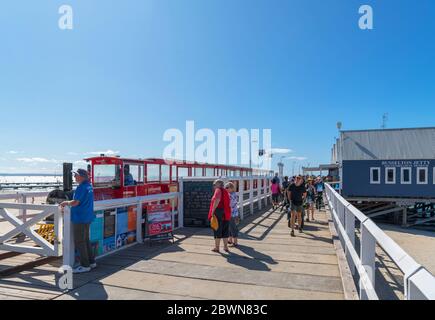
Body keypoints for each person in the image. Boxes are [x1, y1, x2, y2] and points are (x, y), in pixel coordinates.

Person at [60, 169, 96, 273]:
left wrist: (65, 202)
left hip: (80, 217)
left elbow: (75, 202)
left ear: (81, 176)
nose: (74, 177)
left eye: (76, 175)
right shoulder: (89, 186)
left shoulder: (81, 187)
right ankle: (92, 262)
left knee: (80, 241)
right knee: (86, 240)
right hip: (87, 217)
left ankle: (85, 266)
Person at [208, 179, 232, 253]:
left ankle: (217, 247)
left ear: (218, 184)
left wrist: (212, 211)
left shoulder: (218, 190)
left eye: (214, 184)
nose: (214, 186)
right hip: (226, 212)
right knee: (225, 230)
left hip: (219, 212)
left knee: (217, 229)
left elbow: (217, 200)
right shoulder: (225, 191)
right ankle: (225, 247)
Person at [225, 182, 240, 247]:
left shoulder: (231, 195)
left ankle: (235, 242)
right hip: (234, 213)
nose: (226, 189)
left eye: (227, 187)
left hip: (232, 213)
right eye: (225, 187)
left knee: (233, 227)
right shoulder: (234, 194)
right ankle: (230, 240)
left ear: (231, 188)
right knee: (230, 227)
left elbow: (230, 204)